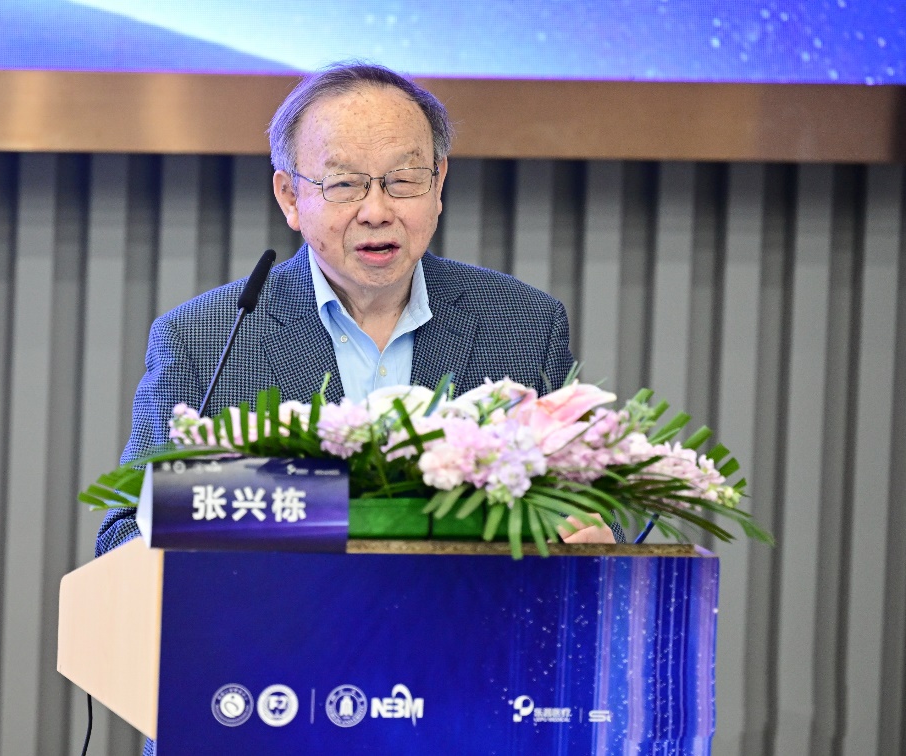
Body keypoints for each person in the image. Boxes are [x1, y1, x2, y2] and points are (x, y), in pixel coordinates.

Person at [96, 62, 621, 559]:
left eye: (404, 179)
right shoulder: (204, 339)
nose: (376, 211)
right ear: (290, 197)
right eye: (344, 183)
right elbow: (126, 528)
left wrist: (594, 539)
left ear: (438, 183)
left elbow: (589, 506)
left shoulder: (523, 324)